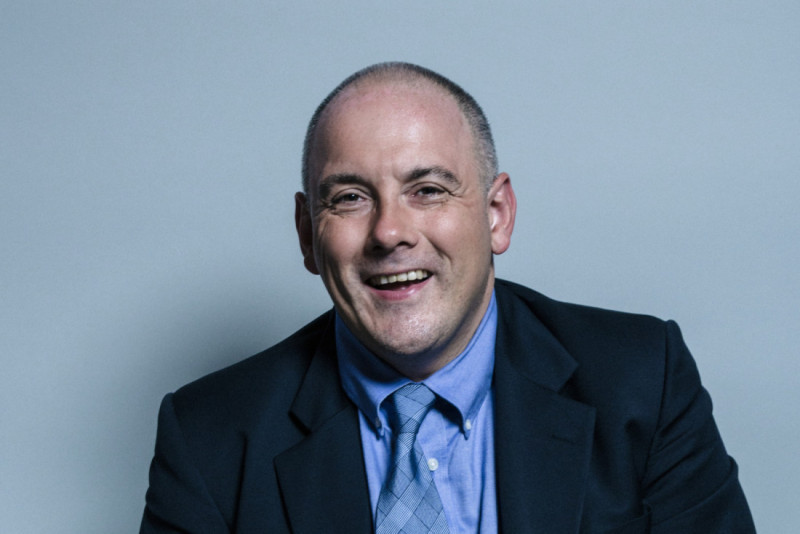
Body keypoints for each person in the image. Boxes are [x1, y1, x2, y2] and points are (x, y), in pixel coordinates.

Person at [140, 62, 755, 533]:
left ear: (496, 216)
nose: (389, 232)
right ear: (307, 235)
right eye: (350, 197)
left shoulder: (643, 380)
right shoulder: (208, 437)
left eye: (428, 190)